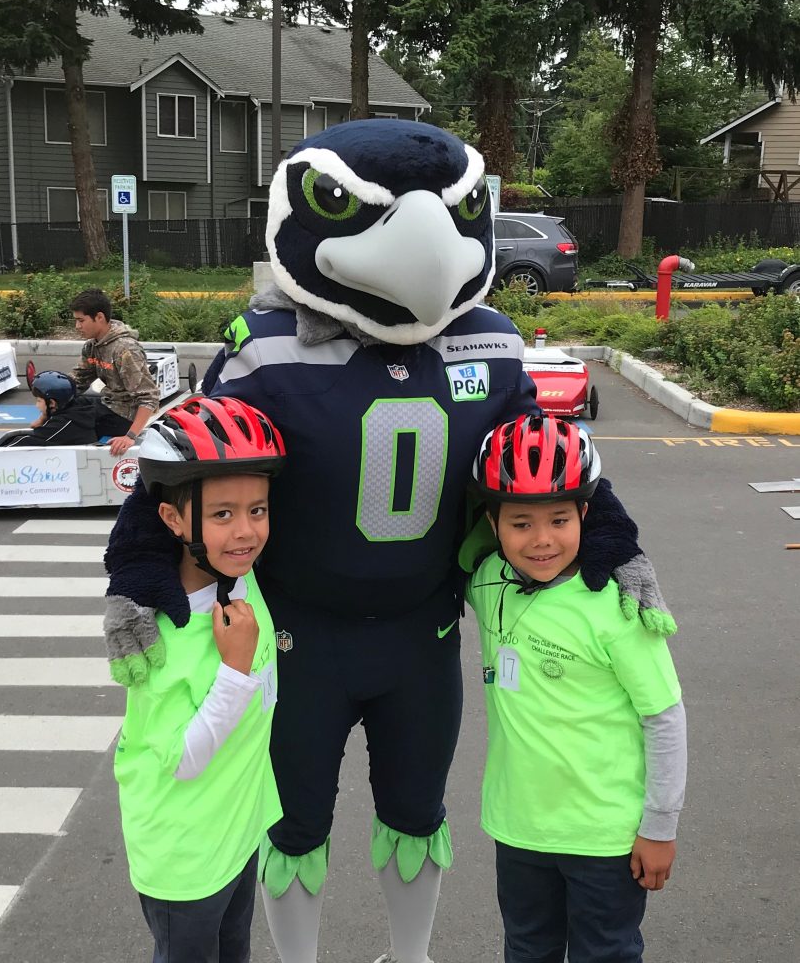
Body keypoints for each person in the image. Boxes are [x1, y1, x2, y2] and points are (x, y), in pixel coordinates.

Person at [102, 119, 671, 963]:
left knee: (416, 811)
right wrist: (137, 566)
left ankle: (412, 957)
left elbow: (546, 470)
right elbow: (192, 465)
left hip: (422, 630)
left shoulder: (491, 340)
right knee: (291, 821)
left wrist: (614, 540)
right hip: (299, 634)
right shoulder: (265, 349)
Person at [466, 414, 687, 963]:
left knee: (605, 953)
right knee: (525, 948)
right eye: (520, 523)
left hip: (606, 838)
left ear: (586, 513)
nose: (542, 540)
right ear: (492, 523)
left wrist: (659, 828)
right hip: (518, 829)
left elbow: (664, 718)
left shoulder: (618, 604)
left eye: (560, 520)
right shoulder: (487, 578)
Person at [113, 395, 286, 963]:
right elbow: (183, 760)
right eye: (222, 515)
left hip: (238, 830)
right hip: (183, 853)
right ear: (172, 518)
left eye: (257, 510)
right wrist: (234, 671)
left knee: (235, 951)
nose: (245, 532)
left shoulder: (239, 577)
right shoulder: (162, 630)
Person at [69, 288, 159, 455]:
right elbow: (78, 381)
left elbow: (149, 397)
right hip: (108, 404)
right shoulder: (92, 345)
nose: (77, 326)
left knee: (73, 419)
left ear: (100, 317)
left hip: (124, 416)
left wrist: (130, 437)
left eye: (81, 320)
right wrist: (51, 394)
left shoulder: (125, 349)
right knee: (66, 407)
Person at [0, 370, 97, 447]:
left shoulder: (63, 425)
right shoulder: (77, 408)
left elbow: (23, 443)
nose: (37, 406)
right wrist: (44, 417)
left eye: (39, 400)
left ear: (52, 403)